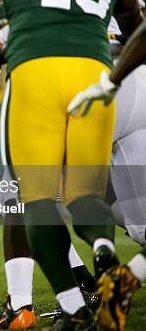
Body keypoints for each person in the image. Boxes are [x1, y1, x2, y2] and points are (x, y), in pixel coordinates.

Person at [0, 0, 143, 329]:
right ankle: (110, 264)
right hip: (119, 74)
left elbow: (4, 22)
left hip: (47, 69)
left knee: (25, 196)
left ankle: (26, 305)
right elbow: (130, 21)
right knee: (127, 216)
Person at [69, 20, 146, 331]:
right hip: (136, 78)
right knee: (141, 227)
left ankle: (77, 291)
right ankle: (130, 276)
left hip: (85, 82)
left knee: (23, 191)